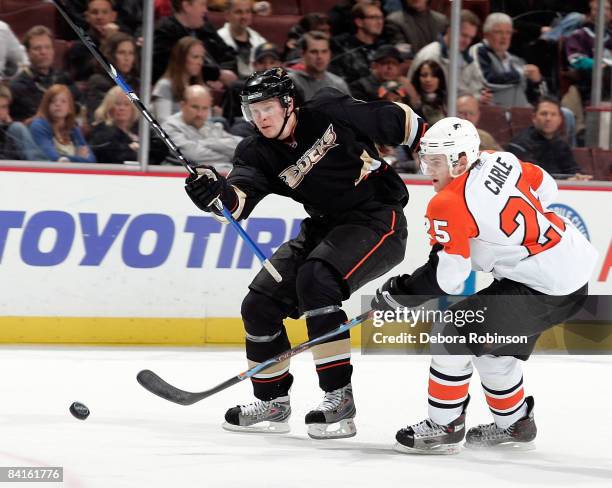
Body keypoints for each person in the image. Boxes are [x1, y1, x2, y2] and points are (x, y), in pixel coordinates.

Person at [184, 67, 425, 438]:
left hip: (379, 219)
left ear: (289, 103)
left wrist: (436, 151)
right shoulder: (255, 150)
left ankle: (338, 399)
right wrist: (214, 194)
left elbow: (399, 120)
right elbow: (238, 200)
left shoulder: (328, 108)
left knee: (317, 280)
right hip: (326, 227)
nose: (260, 118)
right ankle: (273, 402)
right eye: (252, 110)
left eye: (267, 108)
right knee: (259, 305)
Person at [371, 117, 597, 454]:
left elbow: (449, 278)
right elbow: (547, 186)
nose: (427, 169)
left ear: (461, 160)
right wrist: (516, 241)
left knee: (451, 331)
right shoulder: (498, 159)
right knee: (492, 351)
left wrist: (400, 294)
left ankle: (443, 424)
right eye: (425, 159)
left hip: (542, 286)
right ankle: (515, 425)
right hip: (571, 271)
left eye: (437, 161)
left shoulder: (447, 202)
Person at [470, 13, 547, 108]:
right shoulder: (479, 51)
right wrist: (519, 73)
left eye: (508, 32)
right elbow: (487, 80)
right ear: (486, 34)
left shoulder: (517, 61)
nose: (504, 37)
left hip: (521, 114)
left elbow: (536, 96)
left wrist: (537, 81)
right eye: (498, 32)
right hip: (493, 113)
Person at [408, 9, 487, 102]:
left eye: (471, 37)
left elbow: (478, 89)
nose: (467, 41)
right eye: (464, 35)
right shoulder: (430, 55)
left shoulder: (468, 58)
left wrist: (480, 97)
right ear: (450, 30)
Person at [153, 0, 238, 85]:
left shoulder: (205, 27)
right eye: (202, 4)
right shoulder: (165, 33)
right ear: (186, 6)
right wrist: (216, 75)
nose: (206, 10)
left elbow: (228, 54)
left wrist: (223, 75)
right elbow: (175, 68)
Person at [506, 96, 591, 180]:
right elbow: (533, 176)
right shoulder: (520, 144)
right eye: (544, 114)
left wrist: (579, 176)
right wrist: (566, 179)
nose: (548, 118)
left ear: (560, 120)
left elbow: (572, 169)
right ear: (534, 118)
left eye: (553, 114)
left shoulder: (561, 144)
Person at [9, 26, 81, 123]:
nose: (43, 52)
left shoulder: (63, 77)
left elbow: (79, 104)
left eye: (47, 47)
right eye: (37, 48)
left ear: (53, 50)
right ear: (27, 52)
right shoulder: (17, 86)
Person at [162, 85, 242, 168]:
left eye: (205, 108)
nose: (200, 114)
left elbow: (239, 146)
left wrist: (204, 143)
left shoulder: (207, 125)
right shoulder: (170, 126)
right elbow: (193, 155)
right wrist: (229, 157)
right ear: (182, 105)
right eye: (195, 107)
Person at [88, 86, 168, 164]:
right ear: (109, 106)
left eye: (126, 104)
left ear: (133, 109)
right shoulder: (102, 131)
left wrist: (139, 147)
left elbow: (162, 150)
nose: (122, 108)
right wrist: (132, 149)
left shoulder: (140, 129)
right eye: (117, 104)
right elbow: (112, 155)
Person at [29, 84, 96, 163]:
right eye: (53, 101)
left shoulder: (73, 128)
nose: (58, 104)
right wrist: (77, 157)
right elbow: (52, 157)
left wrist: (67, 159)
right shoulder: (39, 125)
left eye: (63, 101)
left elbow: (91, 160)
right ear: (46, 106)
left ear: (69, 108)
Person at [86, 32, 139, 124]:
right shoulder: (99, 81)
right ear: (110, 55)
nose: (127, 58)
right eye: (121, 52)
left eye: (131, 53)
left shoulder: (136, 83)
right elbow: (98, 117)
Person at [329, 3, 388, 85]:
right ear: (359, 22)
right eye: (373, 17)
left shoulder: (384, 47)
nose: (379, 22)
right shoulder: (342, 47)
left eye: (381, 18)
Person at [152, 37, 207, 123]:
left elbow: (206, 121)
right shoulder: (164, 86)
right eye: (195, 57)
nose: (200, 62)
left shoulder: (200, 88)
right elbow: (163, 122)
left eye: (202, 58)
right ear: (181, 58)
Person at [288, 31, 351, 101]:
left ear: (330, 53)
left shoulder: (339, 84)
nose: (320, 56)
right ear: (303, 54)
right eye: (314, 52)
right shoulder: (290, 82)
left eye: (324, 51)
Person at [217, 0, 267, 79]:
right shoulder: (217, 40)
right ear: (227, 15)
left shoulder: (259, 40)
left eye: (247, 12)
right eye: (238, 12)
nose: (244, 16)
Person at [0, 85, 46, 161]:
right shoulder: (15, 128)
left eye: (4, 107)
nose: (0, 112)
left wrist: (8, 126)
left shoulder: (10, 129)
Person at [410, 60, 447, 125]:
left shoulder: (448, 101)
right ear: (417, 78)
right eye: (424, 75)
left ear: (440, 79)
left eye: (434, 75)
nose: (428, 79)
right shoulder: (410, 101)